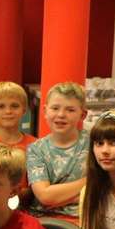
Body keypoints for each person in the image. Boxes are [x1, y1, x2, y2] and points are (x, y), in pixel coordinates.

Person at [26, 82, 89, 220]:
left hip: (83, 218)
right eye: (55, 108)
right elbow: (45, 196)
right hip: (44, 219)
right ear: (45, 111)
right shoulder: (36, 149)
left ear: (83, 115)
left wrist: (60, 197)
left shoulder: (95, 143)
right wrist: (90, 181)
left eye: (70, 110)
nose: (61, 115)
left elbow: (105, 189)